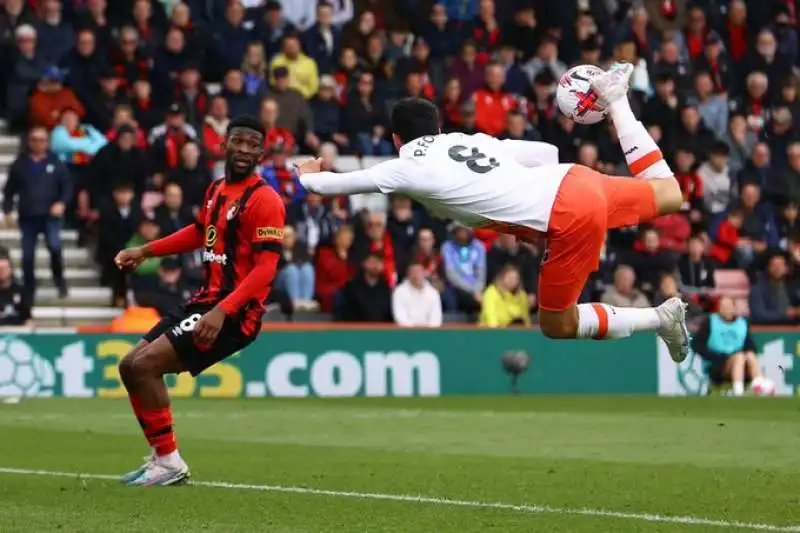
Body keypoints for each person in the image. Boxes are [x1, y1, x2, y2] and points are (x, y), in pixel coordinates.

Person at [298, 63, 690, 362]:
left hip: (566, 214)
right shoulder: (468, 139)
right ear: (436, 127)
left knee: (558, 324)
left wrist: (306, 174)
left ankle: (659, 318)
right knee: (670, 194)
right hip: (573, 178)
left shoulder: (405, 165)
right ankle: (618, 101)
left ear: (398, 138)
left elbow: (329, 185)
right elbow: (546, 153)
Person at [113, 115, 286, 486]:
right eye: (237, 141)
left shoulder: (266, 200)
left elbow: (266, 269)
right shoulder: (215, 190)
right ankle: (162, 459)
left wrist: (222, 312)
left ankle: (169, 462)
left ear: (261, 152)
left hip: (233, 312)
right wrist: (146, 250)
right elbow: (198, 231)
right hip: (204, 302)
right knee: (129, 366)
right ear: (223, 144)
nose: (243, 149)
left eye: (252, 144)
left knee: (144, 367)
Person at [3, 126, 71, 298]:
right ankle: (29, 289)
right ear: (29, 141)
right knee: (27, 255)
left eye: (42, 140)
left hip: (50, 216)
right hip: (28, 216)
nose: (38, 143)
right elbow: (10, 190)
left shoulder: (56, 162)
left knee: (55, 248)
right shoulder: (20, 164)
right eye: (34, 140)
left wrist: (62, 203)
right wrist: (8, 210)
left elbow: (67, 186)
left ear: (47, 142)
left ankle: (59, 281)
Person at [691, 296, 762, 396]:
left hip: (740, 362)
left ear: (734, 308)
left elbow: (751, 347)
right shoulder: (710, 322)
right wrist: (715, 356)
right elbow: (696, 345)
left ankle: (760, 387)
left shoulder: (742, 323)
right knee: (739, 357)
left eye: (728, 306)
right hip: (718, 364)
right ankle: (738, 392)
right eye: (722, 306)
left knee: (750, 356)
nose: (725, 310)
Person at [392, 262, 442, 327]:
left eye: (419, 272)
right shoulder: (399, 292)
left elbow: (436, 318)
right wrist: (415, 331)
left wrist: (427, 331)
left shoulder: (433, 293)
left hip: (429, 333)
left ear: (424, 273)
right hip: (407, 333)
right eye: (413, 273)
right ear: (408, 275)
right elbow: (400, 317)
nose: (417, 276)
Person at [0, 255, 31, 326]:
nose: (1, 271)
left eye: (4, 268)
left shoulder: (20, 290)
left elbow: (27, 318)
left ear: (10, 270)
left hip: (17, 332)